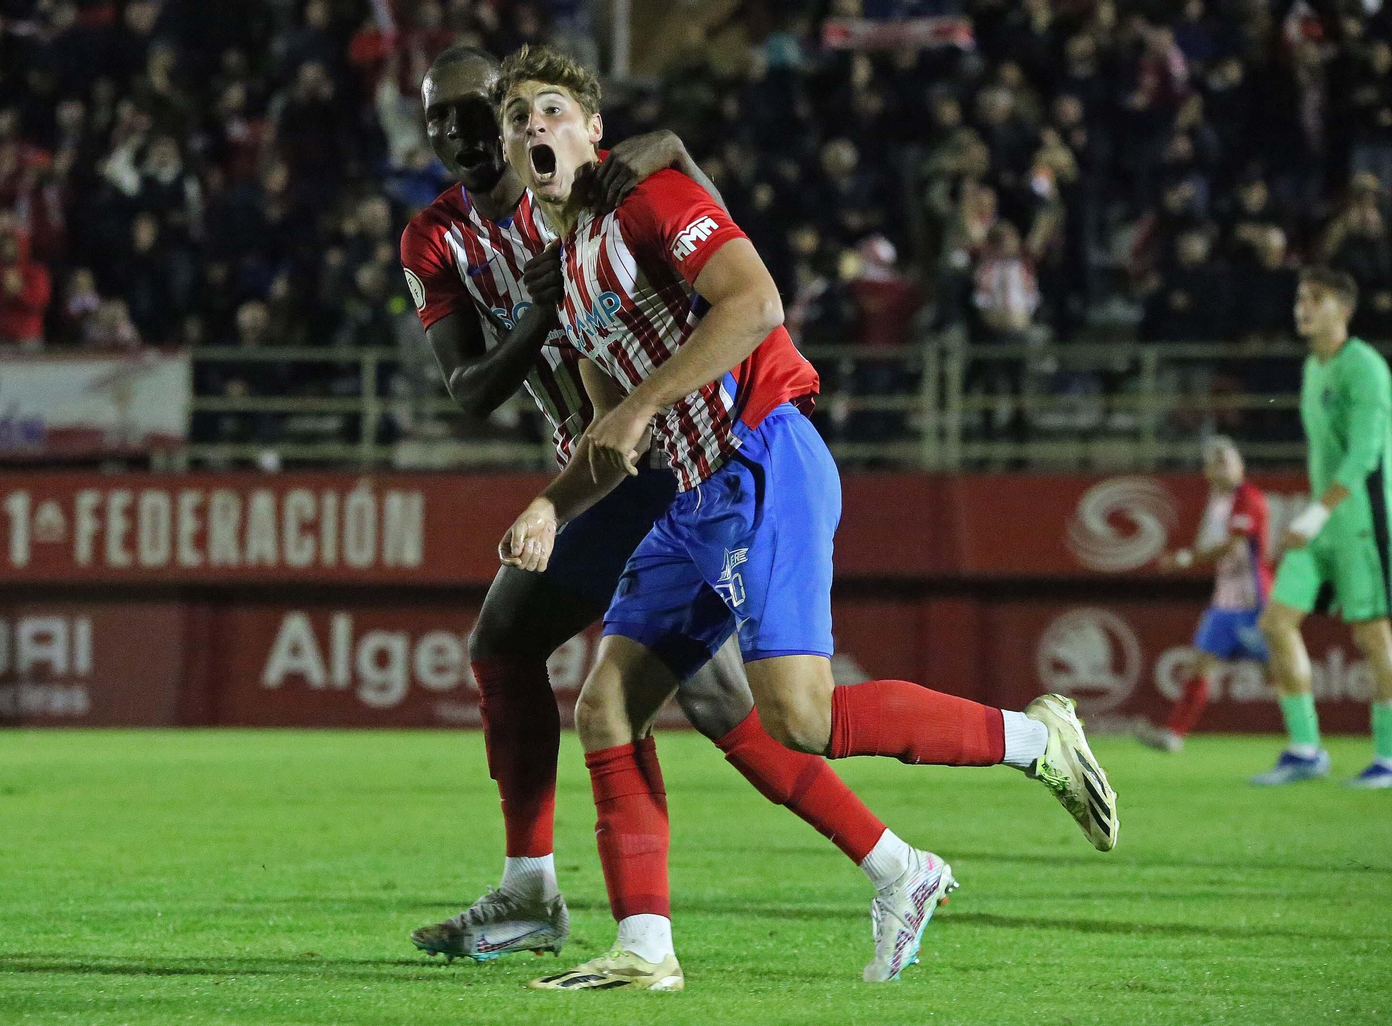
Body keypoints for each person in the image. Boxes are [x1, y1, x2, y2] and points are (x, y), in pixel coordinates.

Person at [493, 45, 1119, 992]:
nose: (535, 126)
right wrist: (548, 504)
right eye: (518, 120)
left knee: (800, 717)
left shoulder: (647, 202)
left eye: (552, 110)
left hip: (762, 456)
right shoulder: (569, 275)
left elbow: (755, 303)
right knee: (607, 705)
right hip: (695, 496)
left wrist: (638, 406)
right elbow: (608, 443)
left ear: (593, 132)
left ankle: (1038, 740)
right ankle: (645, 951)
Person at [399, 45, 910, 967]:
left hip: (663, 453)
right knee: (713, 699)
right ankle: (890, 863)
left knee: (546, 656)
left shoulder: (576, 183)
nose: (469, 136)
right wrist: (535, 320)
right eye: (443, 121)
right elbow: (468, 390)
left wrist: (673, 151)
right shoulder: (435, 239)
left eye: (484, 114)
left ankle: (541, 890)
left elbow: (713, 246)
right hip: (603, 453)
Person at [1253, 267, 1392, 789]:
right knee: (1276, 622)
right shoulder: (1313, 368)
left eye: (1314, 299)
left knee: (1371, 636)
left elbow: (1365, 455)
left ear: (1342, 308)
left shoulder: (1365, 368)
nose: (1302, 308)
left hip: (1363, 521)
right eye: (1299, 298)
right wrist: (1315, 516)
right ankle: (1305, 749)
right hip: (1321, 523)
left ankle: (1388, 762)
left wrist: (1316, 513)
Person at [1139, 437, 1272, 752]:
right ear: (1207, 471)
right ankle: (1174, 734)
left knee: (1278, 671)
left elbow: (1234, 545)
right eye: (1215, 462)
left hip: (1254, 600)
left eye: (1226, 460)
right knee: (1199, 664)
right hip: (1225, 602)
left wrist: (1185, 559)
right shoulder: (1217, 503)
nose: (1221, 467)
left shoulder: (1248, 498)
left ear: (1241, 466)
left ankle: (1307, 739)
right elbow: (1211, 546)